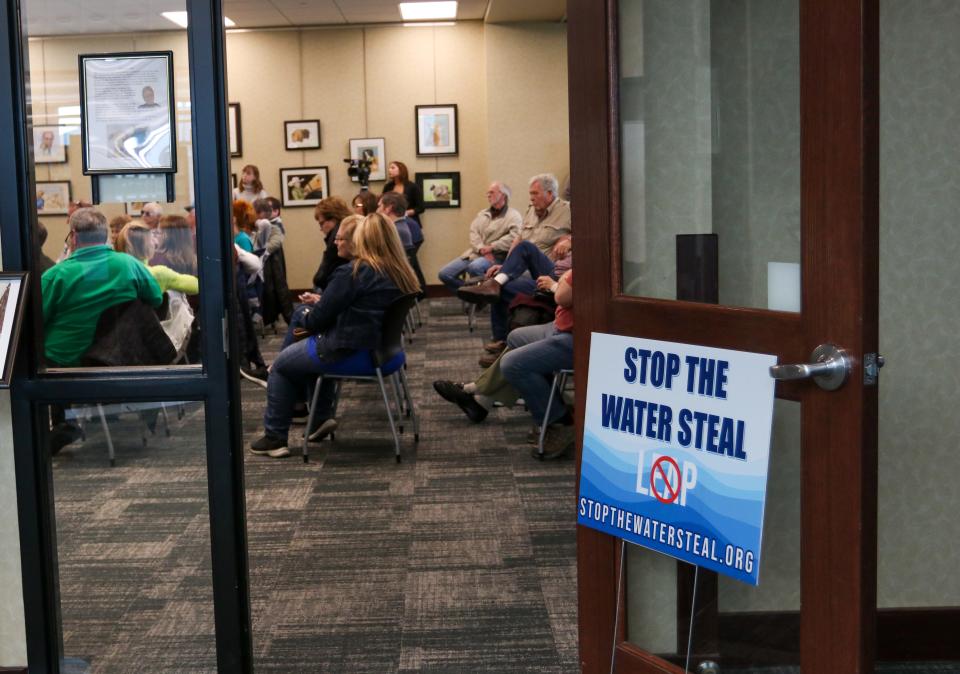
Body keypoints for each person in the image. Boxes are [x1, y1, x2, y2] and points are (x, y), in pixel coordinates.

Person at [249, 212, 420, 458]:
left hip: (349, 353)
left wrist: (308, 315)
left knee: (282, 366)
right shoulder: (401, 272)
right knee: (303, 351)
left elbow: (318, 321)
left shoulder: (353, 272)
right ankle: (318, 418)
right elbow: (370, 307)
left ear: (363, 239)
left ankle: (275, 436)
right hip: (387, 354)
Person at [435, 269, 575, 459]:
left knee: (512, 364)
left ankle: (559, 421)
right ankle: (481, 399)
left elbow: (563, 296)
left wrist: (555, 283)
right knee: (516, 337)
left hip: (577, 335)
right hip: (561, 325)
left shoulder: (592, 255)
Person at [457, 173, 571, 353]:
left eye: (535, 194)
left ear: (550, 193)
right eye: (530, 194)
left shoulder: (568, 210)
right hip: (527, 271)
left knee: (526, 248)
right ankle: (502, 339)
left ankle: (492, 284)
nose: (531, 198)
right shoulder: (531, 211)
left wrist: (569, 241)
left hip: (552, 272)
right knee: (501, 287)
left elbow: (589, 235)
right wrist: (506, 267)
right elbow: (517, 240)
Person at [41, 208, 163, 367]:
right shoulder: (129, 265)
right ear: (106, 235)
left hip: (63, 366)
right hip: (117, 361)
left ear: (74, 237)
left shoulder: (55, 276)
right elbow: (156, 298)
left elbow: (35, 322)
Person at [437, 181, 522, 292]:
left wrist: (492, 247)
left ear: (503, 195)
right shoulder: (482, 213)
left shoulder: (513, 216)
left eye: (491, 192)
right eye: (487, 193)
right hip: (474, 254)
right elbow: (473, 232)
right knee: (444, 274)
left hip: (497, 257)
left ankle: (481, 296)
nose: (488, 195)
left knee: (475, 267)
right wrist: (482, 248)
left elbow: (514, 237)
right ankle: (474, 295)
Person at [115, 223, 198, 295]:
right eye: (152, 238)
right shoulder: (158, 273)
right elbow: (197, 286)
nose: (156, 242)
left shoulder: (115, 270)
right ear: (144, 247)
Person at [311, 196, 354, 292]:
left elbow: (322, 277)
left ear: (334, 218)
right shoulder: (350, 229)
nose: (321, 229)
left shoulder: (336, 238)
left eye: (321, 223)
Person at [381, 161, 424, 227]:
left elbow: (421, 207)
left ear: (401, 170)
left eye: (392, 168)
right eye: (389, 168)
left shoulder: (413, 187)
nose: (389, 170)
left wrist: (405, 213)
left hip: (410, 223)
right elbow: (382, 203)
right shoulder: (388, 186)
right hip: (391, 223)